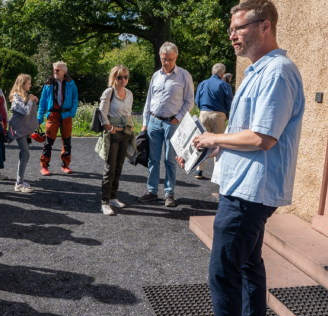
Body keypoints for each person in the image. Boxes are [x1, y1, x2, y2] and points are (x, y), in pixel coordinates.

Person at [177, 0, 304, 316]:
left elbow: (263, 138)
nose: (232, 35)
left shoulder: (277, 72)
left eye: (240, 27)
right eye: (231, 29)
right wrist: (208, 147)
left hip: (251, 190)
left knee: (223, 271)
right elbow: (248, 135)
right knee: (248, 265)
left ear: (265, 26)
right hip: (246, 185)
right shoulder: (258, 70)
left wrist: (214, 137)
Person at [139, 42, 195, 207]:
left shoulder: (184, 75)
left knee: (170, 160)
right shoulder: (156, 76)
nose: (166, 62)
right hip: (154, 122)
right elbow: (149, 101)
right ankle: (152, 191)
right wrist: (145, 124)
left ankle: (169, 194)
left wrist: (177, 118)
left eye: (170, 59)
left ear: (176, 57)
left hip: (172, 123)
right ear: (160, 57)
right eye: (164, 59)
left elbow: (189, 101)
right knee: (153, 159)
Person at [98, 65, 135, 216]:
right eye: (119, 77)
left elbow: (129, 113)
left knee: (119, 167)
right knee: (110, 169)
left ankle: (113, 197)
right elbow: (102, 113)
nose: (123, 80)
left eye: (126, 77)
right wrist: (110, 129)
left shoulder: (129, 93)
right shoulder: (109, 92)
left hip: (125, 134)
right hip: (113, 135)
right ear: (114, 78)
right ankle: (104, 202)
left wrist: (131, 126)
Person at [37, 62, 79, 175]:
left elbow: (75, 98)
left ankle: (65, 165)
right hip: (52, 115)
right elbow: (42, 101)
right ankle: (44, 166)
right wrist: (39, 117)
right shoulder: (48, 84)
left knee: (67, 142)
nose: (55, 72)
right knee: (48, 142)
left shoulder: (71, 83)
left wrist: (72, 114)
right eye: (54, 70)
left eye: (58, 70)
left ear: (64, 72)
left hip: (66, 115)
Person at [194, 63, 234, 179]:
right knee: (219, 143)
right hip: (219, 115)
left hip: (204, 113)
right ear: (222, 74)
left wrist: (203, 108)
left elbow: (197, 100)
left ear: (212, 72)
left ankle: (199, 170)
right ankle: (217, 172)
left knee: (202, 142)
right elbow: (229, 102)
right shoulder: (225, 85)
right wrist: (226, 113)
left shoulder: (203, 83)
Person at [9, 73, 39, 193]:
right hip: (19, 130)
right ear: (22, 84)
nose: (30, 85)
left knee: (24, 154)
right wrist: (31, 101)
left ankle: (20, 181)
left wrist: (34, 101)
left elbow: (30, 109)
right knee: (25, 154)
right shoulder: (16, 97)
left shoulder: (25, 95)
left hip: (25, 129)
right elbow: (25, 111)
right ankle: (19, 184)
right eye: (28, 83)